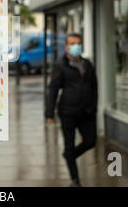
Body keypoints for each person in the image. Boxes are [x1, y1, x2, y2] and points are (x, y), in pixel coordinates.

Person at [45, 33, 98, 187]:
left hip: (87, 112)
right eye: (73, 43)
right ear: (66, 46)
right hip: (68, 112)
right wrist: (49, 113)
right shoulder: (60, 65)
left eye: (78, 43)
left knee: (90, 141)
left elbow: (94, 87)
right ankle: (75, 180)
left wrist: (94, 106)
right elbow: (53, 89)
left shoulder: (87, 64)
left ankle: (69, 156)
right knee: (69, 144)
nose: (76, 46)